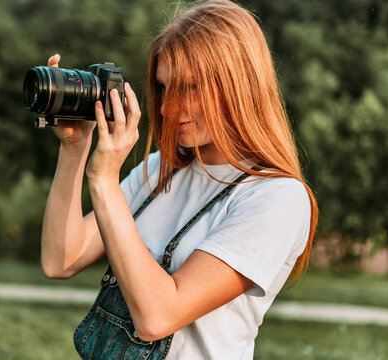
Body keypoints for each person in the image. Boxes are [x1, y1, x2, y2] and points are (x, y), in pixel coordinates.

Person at [40, 0, 318, 358]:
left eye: (189, 88)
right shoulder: (161, 169)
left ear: (238, 85)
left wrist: (105, 179)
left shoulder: (275, 198)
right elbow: (61, 259)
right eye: (163, 88)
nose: (169, 109)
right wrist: (74, 150)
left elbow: (157, 316)